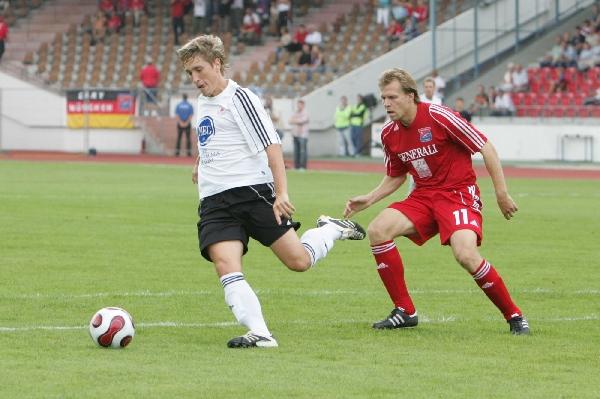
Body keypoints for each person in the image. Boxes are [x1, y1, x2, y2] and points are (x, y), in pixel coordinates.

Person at [176, 34, 366, 348]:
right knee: (225, 264)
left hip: (252, 193)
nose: (195, 79)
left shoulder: (241, 98)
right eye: (189, 74)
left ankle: (330, 231)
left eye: (199, 70)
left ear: (217, 63)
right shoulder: (203, 100)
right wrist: (200, 160)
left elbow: (272, 146)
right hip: (214, 200)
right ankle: (260, 332)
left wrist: (281, 193)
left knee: (298, 261)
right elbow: (213, 135)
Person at [343, 68, 530, 335]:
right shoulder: (388, 134)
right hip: (423, 196)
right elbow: (396, 176)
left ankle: (515, 316)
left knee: (465, 254)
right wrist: (370, 198)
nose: (386, 103)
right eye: (383, 98)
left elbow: (485, 147)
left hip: (458, 195)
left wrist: (501, 193)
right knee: (378, 230)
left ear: (411, 96)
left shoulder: (438, 116)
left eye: (392, 97)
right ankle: (405, 311)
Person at [289, 98, 309, 170]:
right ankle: (296, 166)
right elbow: (290, 120)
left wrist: (295, 120)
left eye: (300, 104)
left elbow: (302, 121)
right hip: (295, 134)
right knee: (296, 151)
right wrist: (295, 120)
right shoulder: (295, 112)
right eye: (298, 104)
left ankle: (303, 166)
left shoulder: (305, 113)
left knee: (302, 151)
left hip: (303, 135)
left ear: (303, 105)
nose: (298, 106)